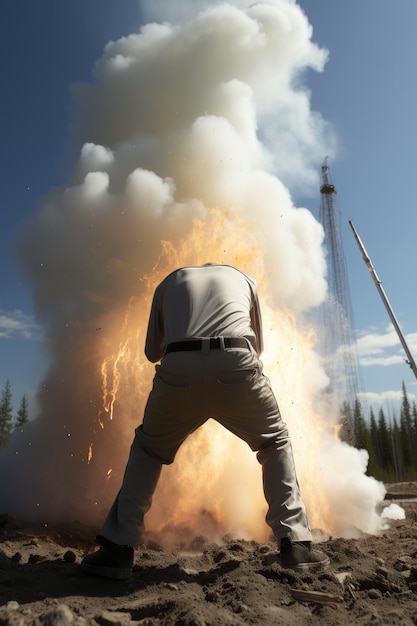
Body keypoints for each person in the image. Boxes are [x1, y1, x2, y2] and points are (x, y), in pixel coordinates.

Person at [81, 263, 329, 579]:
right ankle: (295, 545)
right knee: (273, 441)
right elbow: (259, 347)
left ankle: (117, 551)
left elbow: (150, 353)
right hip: (236, 361)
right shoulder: (245, 280)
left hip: (178, 367)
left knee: (149, 450)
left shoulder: (169, 282)